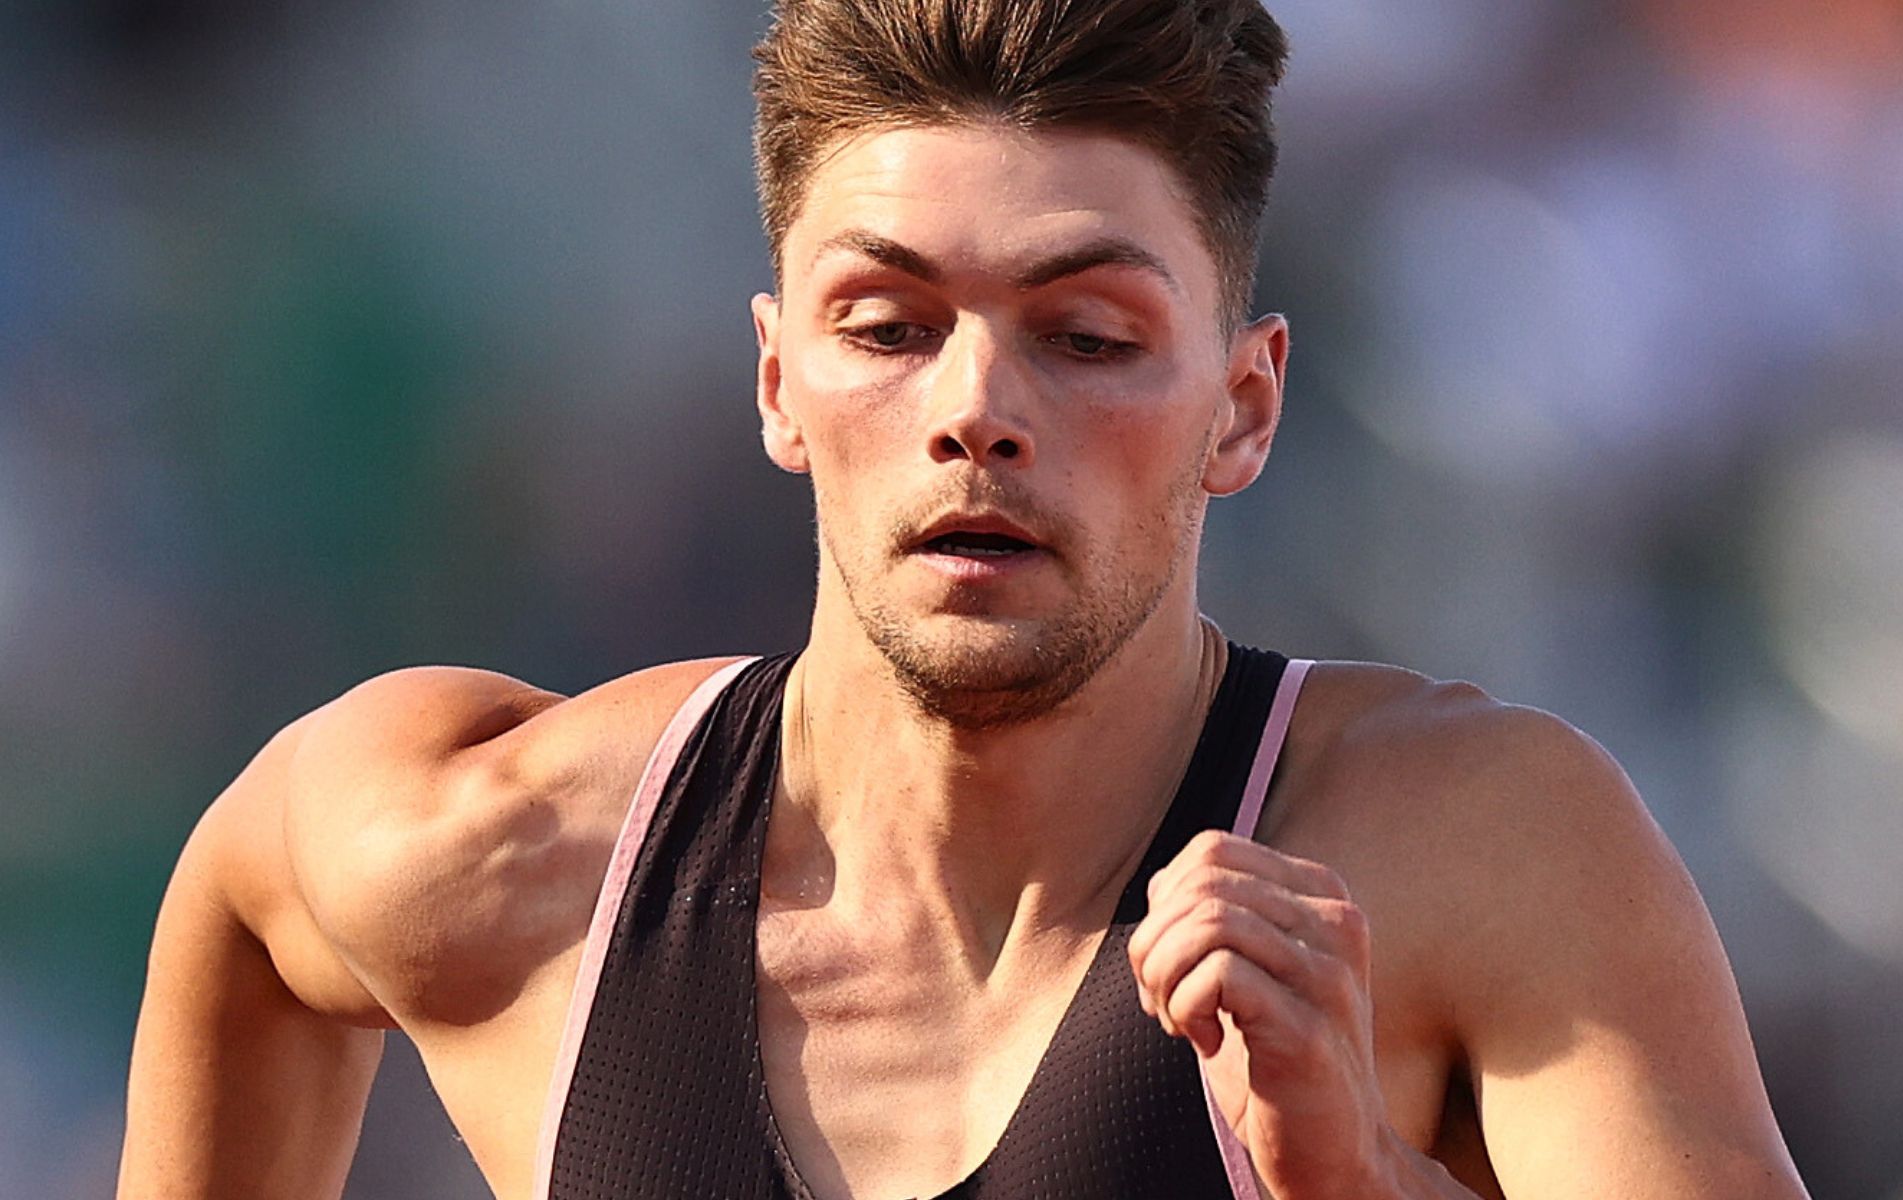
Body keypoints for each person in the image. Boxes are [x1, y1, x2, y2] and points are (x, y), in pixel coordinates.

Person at [117, 1, 1812, 1197]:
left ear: (1246, 404)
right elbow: (250, 905)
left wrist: (1355, 1181)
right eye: (885, 322)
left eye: (1087, 336)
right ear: (777, 383)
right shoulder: (512, 857)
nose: (977, 408)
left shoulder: (1463, 853)